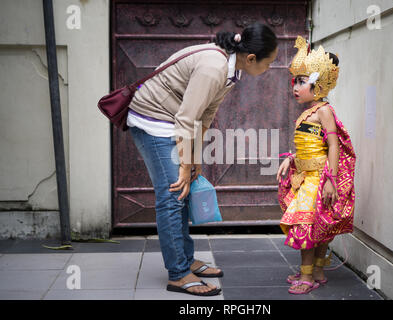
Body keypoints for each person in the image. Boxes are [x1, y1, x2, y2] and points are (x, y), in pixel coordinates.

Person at [127, 22, 278, 296]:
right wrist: (184, 166)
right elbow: (187, 118)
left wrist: (194, 160)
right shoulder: (214, 68)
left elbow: (204, 115)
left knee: (184, 188)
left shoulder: (231, 69)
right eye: (269, 63)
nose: (269, 69)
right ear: (252, 58)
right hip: (153, 119)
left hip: (172, 120)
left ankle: (185, 260)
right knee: (173, 193)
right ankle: (178, 274)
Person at [276, 35, 356, 294]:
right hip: (306, 175)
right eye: (295, 82)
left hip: (319, 178)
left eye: (302, 82)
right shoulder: (308, 112)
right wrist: (290, 159)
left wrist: (331, 180)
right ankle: (317, 270)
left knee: (307, 225)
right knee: (315, 225)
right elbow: (309, 145)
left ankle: (307, 276)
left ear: (317, 84)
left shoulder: (324, 111)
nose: (295, 87)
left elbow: (333, 145)